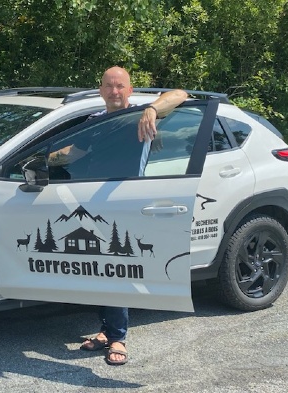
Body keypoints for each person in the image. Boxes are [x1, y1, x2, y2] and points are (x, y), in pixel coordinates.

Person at [70, 66, 188, 366]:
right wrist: (42, 156)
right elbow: (72, 154)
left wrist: (150, 109)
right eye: (109, 86)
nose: (115, 91)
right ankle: (105, 332)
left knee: (116, 271)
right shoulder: (93, 123)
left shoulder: (140, 115)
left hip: (126, 201)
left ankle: (118, 338)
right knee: (97, 272)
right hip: (94, 203)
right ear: (101, 90)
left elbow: (181, 94)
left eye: (120, 85)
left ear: (130, 89)